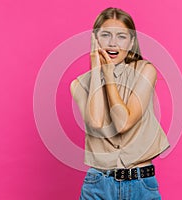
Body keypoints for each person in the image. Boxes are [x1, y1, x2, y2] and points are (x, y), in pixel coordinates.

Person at [70, 7, 170, 200]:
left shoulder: (145, 71)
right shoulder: (79, 85)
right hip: (98, 185)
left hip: (141, 184)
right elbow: (96, 122)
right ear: (95, 39)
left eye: (122, 36)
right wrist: (97, 69)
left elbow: (122, 123)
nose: (113, 43)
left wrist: (108, 75)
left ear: (132, 41)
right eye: (106, 35)